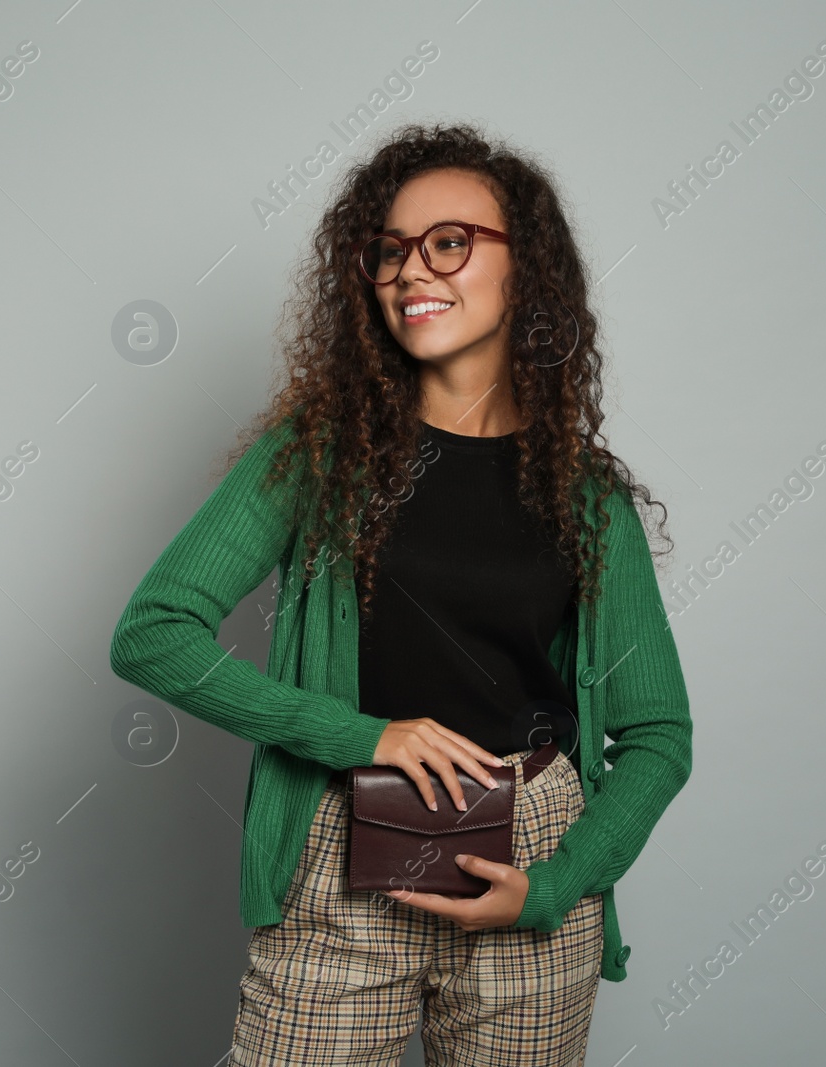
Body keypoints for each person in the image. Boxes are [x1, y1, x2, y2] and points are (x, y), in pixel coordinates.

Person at [110, 121, 692, 1067]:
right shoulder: (316, 460)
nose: (412, 273)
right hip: (340, 850)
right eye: (389, 253)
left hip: (529, 857)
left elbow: (659, 733)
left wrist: (552, 886)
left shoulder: (587, 498)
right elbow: (152, 632)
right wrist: (365, 735)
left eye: (449, 243)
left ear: (527, 271)